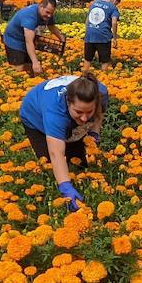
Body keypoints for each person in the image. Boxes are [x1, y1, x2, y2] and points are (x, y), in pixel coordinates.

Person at [18, 71, 108, 211]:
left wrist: (93, 133)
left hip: (64, 115)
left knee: (79, 163)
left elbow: (99, 114)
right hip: (35, 117)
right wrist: (65, 188)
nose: (84, 118)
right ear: (68, 102)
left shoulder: (100, 92)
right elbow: (56, 154)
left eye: (88, 112)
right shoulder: (55, 111)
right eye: (78, 112)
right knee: (49, 164)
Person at [3, 0, 63, 76]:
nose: (49, 15)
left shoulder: (47, 15)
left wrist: (62, 38)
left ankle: (32, 82)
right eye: (47, 12)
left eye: (51, 13)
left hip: (25, 39)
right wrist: (35, 62)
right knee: (19, 68)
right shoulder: (29, 16)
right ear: (41, 6)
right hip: (14, 39)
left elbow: (51, 26)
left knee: (30, 65)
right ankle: (13, 80)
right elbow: (29, 42)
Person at [83, 0, 121, 66]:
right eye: (116, 3)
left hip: (89, 35)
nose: (116, 5)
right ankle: (103, 75)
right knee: (105, 61)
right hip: (103, 36)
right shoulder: (113, 7)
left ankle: (84, 76)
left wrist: (88, 31)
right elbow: (114, 22)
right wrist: (115, 38)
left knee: (87, 59)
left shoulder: (95, 3)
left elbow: (87, 20)